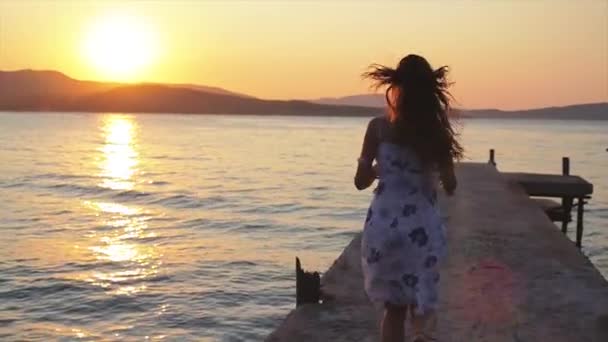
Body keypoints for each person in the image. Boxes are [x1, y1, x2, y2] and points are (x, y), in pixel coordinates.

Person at [354, 54, 463, 342]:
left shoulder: (377, 128)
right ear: (430, 92)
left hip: (385, 227)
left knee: (394, 309)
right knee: (421, 308)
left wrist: (381, 168)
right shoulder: (436, 133)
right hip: (421, 229)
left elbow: (360, 182)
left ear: (396, 87)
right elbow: (450, 185)